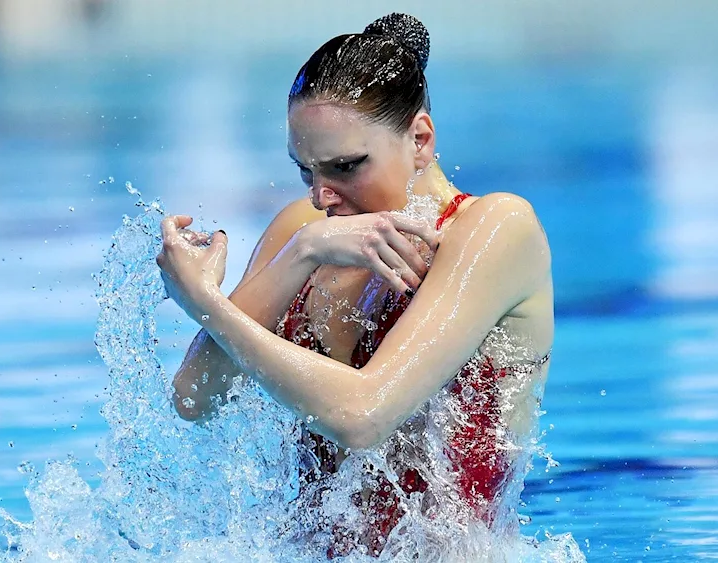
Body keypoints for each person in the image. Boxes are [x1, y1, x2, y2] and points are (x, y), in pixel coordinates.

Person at [156, 12, 554, 558]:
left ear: (419, 139)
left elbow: (362, 417)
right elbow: (195, 398)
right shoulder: (304, 234)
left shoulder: (493, 231)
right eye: (305, 171)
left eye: (345, 167)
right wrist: (299, 255)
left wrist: (205, 304)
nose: (323, 197)